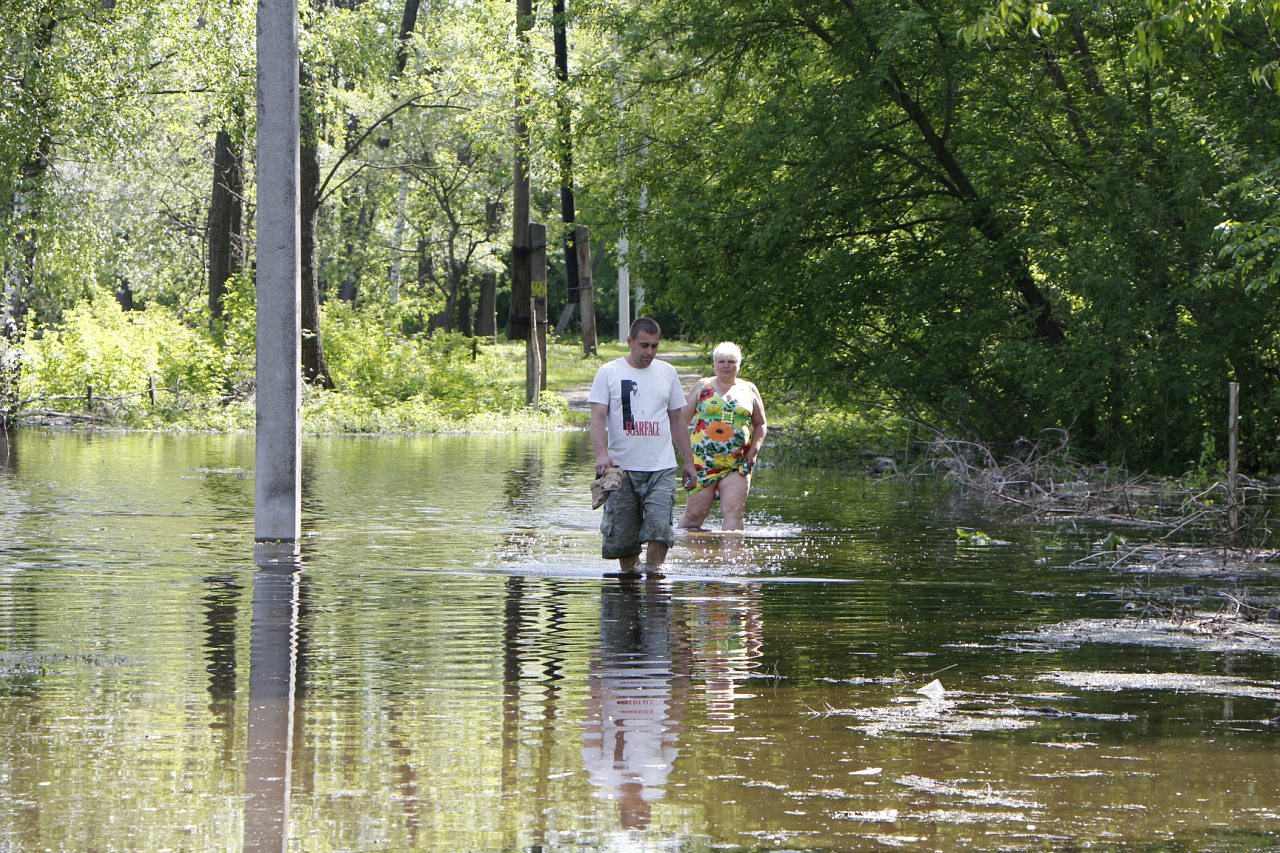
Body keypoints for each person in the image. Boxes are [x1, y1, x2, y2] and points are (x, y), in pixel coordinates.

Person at [588, 317, 697, 577]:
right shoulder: (609, 372)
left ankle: (654, 580)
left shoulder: (667, 372)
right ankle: (631, 585)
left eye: (654, 346)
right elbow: (598, 418)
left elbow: (677, 421)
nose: (649, 352)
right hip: (621, 469)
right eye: (644, 345)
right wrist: (602, 454)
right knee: (623, 540)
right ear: (630, 342)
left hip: (661, 467)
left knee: (660, 528)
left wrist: (689, 463)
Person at [678, 341, 767, 531]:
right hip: (703, 462)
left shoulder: (749, 389)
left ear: (739, 365)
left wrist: (754, 452)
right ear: (714, 364)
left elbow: (760, 424)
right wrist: (686, 458)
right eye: (721, 361)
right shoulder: (703, 386)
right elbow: (681, 421)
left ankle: (731, 551)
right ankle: (685, 548)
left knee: (734, 513)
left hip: (738, 462)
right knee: (694, 515)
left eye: (731, 361)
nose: (726, 365)